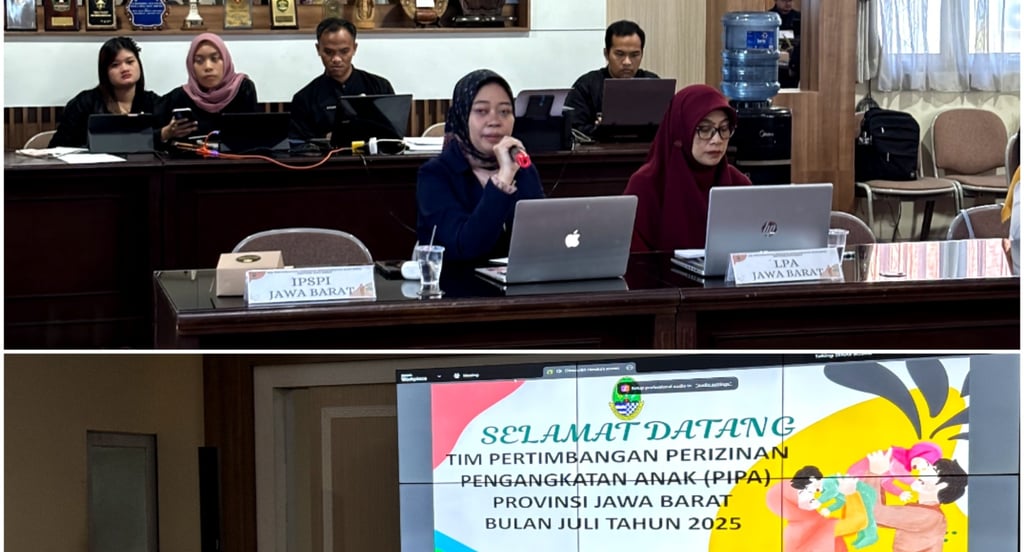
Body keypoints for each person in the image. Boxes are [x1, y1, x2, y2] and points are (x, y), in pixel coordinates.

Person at [416, 69, 544, 262]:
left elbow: (541, 239)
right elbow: (465, 247)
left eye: (504, 111)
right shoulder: (436, 174)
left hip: (518, 279)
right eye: (481, 111)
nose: (494, 121)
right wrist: (502, 181)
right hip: (457, 279)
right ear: (462, 116)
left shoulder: (523, 168)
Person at [624, 84, 751, 252]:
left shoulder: (738, 183)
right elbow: (633, 260)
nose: (717, 140)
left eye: (724, 128)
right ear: (681, 130)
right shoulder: (647, 184)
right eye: (704, 129)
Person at [288, 17, 395, 142]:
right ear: (318, 49)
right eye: (328, 52)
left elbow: (394, 137)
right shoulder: (304, 98)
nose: (336, 59)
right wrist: (324, 141)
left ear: (354, 48)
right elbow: (298, 145)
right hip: (326, 155)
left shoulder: (380, 87)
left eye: (344, 51)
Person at [49, 37, 160, 148]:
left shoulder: (152, 102)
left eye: (130, 62)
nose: (124, 69)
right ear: (105, 72)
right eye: (115, 65)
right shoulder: (84, 103)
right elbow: (57, 147)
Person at [155, 33, 258, 146]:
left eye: (214, 59)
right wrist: (166, 133)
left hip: (236, 157)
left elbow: (254, 136)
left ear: (226, 60)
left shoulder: (243, 88)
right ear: (191, 65)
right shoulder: (180, 96)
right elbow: (147, 137)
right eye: (199, 61)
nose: (208, 67)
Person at [564, 20, 660, 137]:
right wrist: (597, 130)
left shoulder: (653, 84)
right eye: (620, 54)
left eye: (634, 55)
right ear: (606, 54)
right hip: (599, 148)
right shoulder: (586, 86)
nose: (627, 62)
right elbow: (572, 129)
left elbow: (668, 127)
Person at [865, 449, 968, 552]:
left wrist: (874, 473)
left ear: (942, 485)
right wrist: (879, 477)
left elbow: (876, 514)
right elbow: (876, 519)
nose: (923, 470)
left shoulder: (927, 515)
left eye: (933, 470)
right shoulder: (925, 511)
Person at [770, 0, 801, 88]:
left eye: (790, 1)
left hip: (793, 67)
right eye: (784, 0)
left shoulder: (799, 18)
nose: (788, 4)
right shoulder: (769, 18)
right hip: (774, 66)